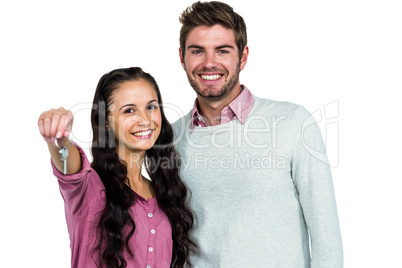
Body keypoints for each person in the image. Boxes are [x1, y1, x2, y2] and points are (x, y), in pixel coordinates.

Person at [172, 1, 343, 267]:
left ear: (243, 56)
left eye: (222, 50)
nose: (209, 63)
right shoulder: (168, 139)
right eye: (197, 51)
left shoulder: (293, 123)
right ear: (182, 58)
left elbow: (326, 237)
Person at [38, 67, 195, 268]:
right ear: (105, 122)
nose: (145, 120)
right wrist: (59, 139)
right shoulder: (90, 190)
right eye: (129, 110)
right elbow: (69, 164)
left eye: (151, 107)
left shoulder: (164, 194)